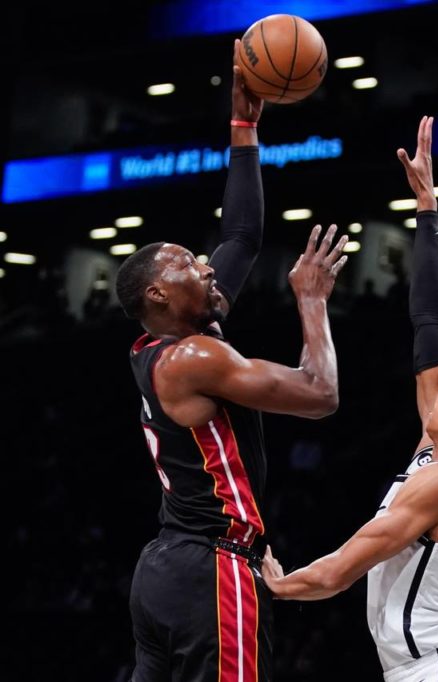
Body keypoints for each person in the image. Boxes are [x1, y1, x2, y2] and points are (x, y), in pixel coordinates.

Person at [260, 116, 438, 682]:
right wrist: (427, 209)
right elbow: (431, 324)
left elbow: (340, 570)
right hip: (422, 669)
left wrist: (276, 583)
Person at [116, 41, 349, 682]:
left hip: (167, 568)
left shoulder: (169, 344)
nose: (205, 264)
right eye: (187, 263)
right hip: (213, 564)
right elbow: (320, 394)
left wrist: (243, 126)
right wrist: (312, 302)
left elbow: (242, 235)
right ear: (157, 294)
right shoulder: (194, 356)